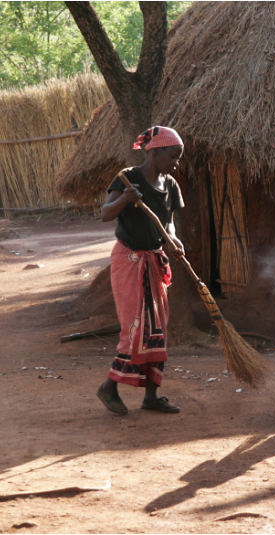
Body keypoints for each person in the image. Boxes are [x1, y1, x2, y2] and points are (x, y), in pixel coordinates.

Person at [95, 126, 186, 416]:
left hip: (154, 261)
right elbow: (105, 213)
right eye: (173, 156)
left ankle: (151, 396)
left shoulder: (170, 184)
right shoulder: (128, 178)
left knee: (157, 329)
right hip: (129, 260)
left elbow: (168, 222)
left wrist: (173, 238)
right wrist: (125, 199)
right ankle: (109, 387)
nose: (176, 162)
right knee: (135, 327)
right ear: (155, 151)